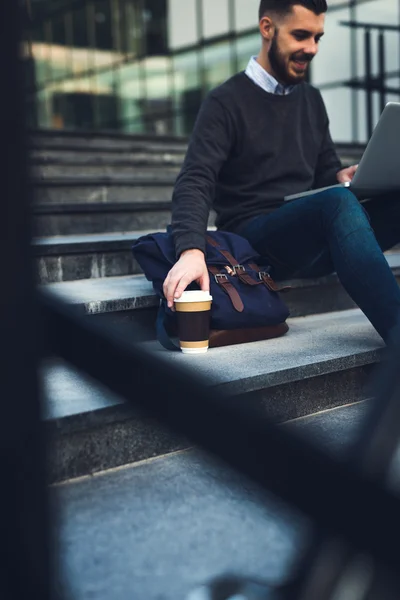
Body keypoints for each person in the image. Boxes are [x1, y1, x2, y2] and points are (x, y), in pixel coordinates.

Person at [163, 0, 400, 343]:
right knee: (336, 204)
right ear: (267, 29)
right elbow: (195, 179)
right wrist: (190, 250)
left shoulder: (312, 100)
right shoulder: (225, 101)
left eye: (318, 37)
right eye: (301, 35)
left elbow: (324, 172)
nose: (312, 48)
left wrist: (342, 177)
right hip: (254, 240)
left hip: (309, 238)